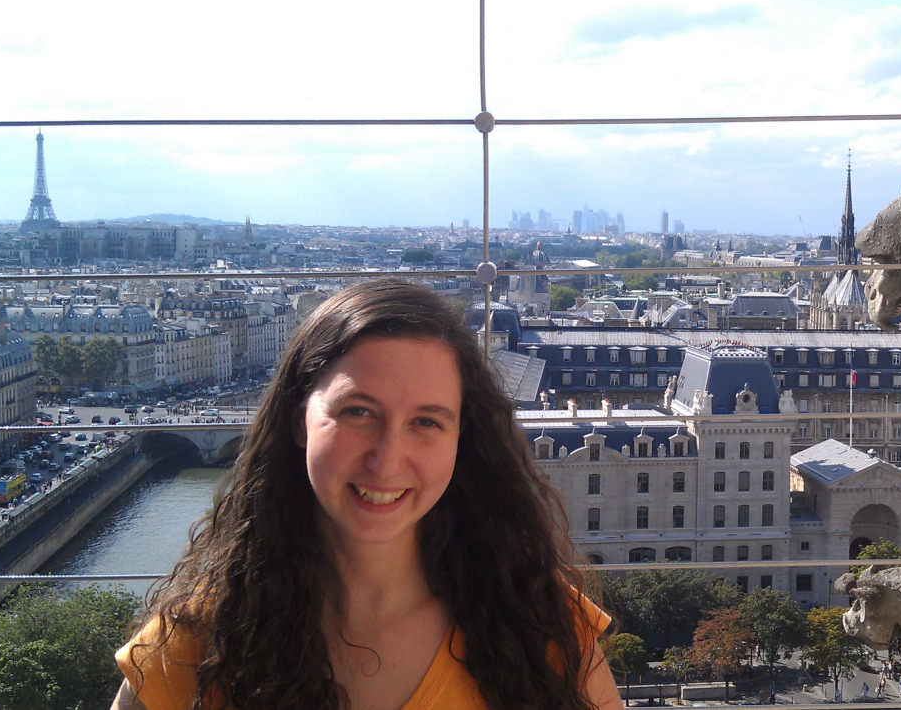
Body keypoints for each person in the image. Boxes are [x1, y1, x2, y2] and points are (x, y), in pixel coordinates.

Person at [111, 279, 623, 710]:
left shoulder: (201, 647)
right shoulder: (536, 626)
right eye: (358, 412)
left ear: (461, 441)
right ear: (298, 420)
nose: (386, 460)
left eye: (426, 421)